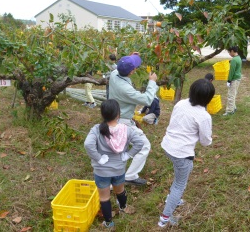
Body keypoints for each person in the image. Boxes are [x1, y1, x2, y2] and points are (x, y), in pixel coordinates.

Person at [158, 79, 215, 228]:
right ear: (209, 98)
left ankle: (174, 199)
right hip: (181, 153)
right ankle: (165, 218)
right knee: (179, 184)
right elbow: (205, 141)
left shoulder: (181, 103)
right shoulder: (204, 116)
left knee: (183, 172)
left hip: (168, 145)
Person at [84, 99, 144, 229]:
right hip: (118, 169)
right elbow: (140, 143)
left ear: (103, 114)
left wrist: (99, 158)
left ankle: (109, 223)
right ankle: (123, 207)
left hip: (101, 172)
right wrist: (128, 154)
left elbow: (88, 144)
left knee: (104, 197)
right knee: (120, 190)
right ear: (118, 114)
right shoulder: (126, 130)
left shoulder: (96, 129)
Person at [109, 53, 158, 186]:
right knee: (143, 146)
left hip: (115, 117)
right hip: (122, 122)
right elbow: (147, 99)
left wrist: (131, 57)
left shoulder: (114, 73)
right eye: (134, 66)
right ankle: (129, 176)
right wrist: (152, 82)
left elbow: (122, 66)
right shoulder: (125, 89)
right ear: (131, 72)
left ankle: (113, 177)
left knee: (120, 149)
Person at [223, 45, 242, 115]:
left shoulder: (234, 60)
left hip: (234, 79)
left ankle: (229, 111)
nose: (229, 54)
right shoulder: (238, 58)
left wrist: (229, 80)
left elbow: (231, 71)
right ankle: (233, 107)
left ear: (232, 51)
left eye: (229, 52)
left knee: (231, 95)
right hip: (238, 78)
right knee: (234, 93)